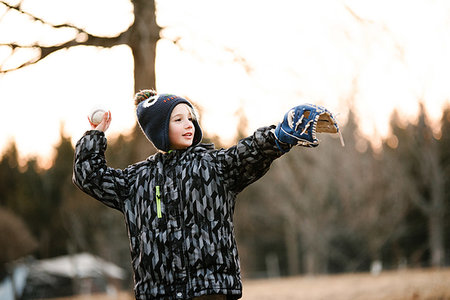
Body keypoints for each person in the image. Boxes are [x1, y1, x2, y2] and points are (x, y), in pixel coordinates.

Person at [72, 89, 339, 300]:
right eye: (178, 119)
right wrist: (94, 137)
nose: (188, 124)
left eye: (191, 118)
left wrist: (278, 136)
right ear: (158, 129)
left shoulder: (213, 166)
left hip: (209, 290)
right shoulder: (136, 180)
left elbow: (247, 155)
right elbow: (91, 177)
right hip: (158, 292)